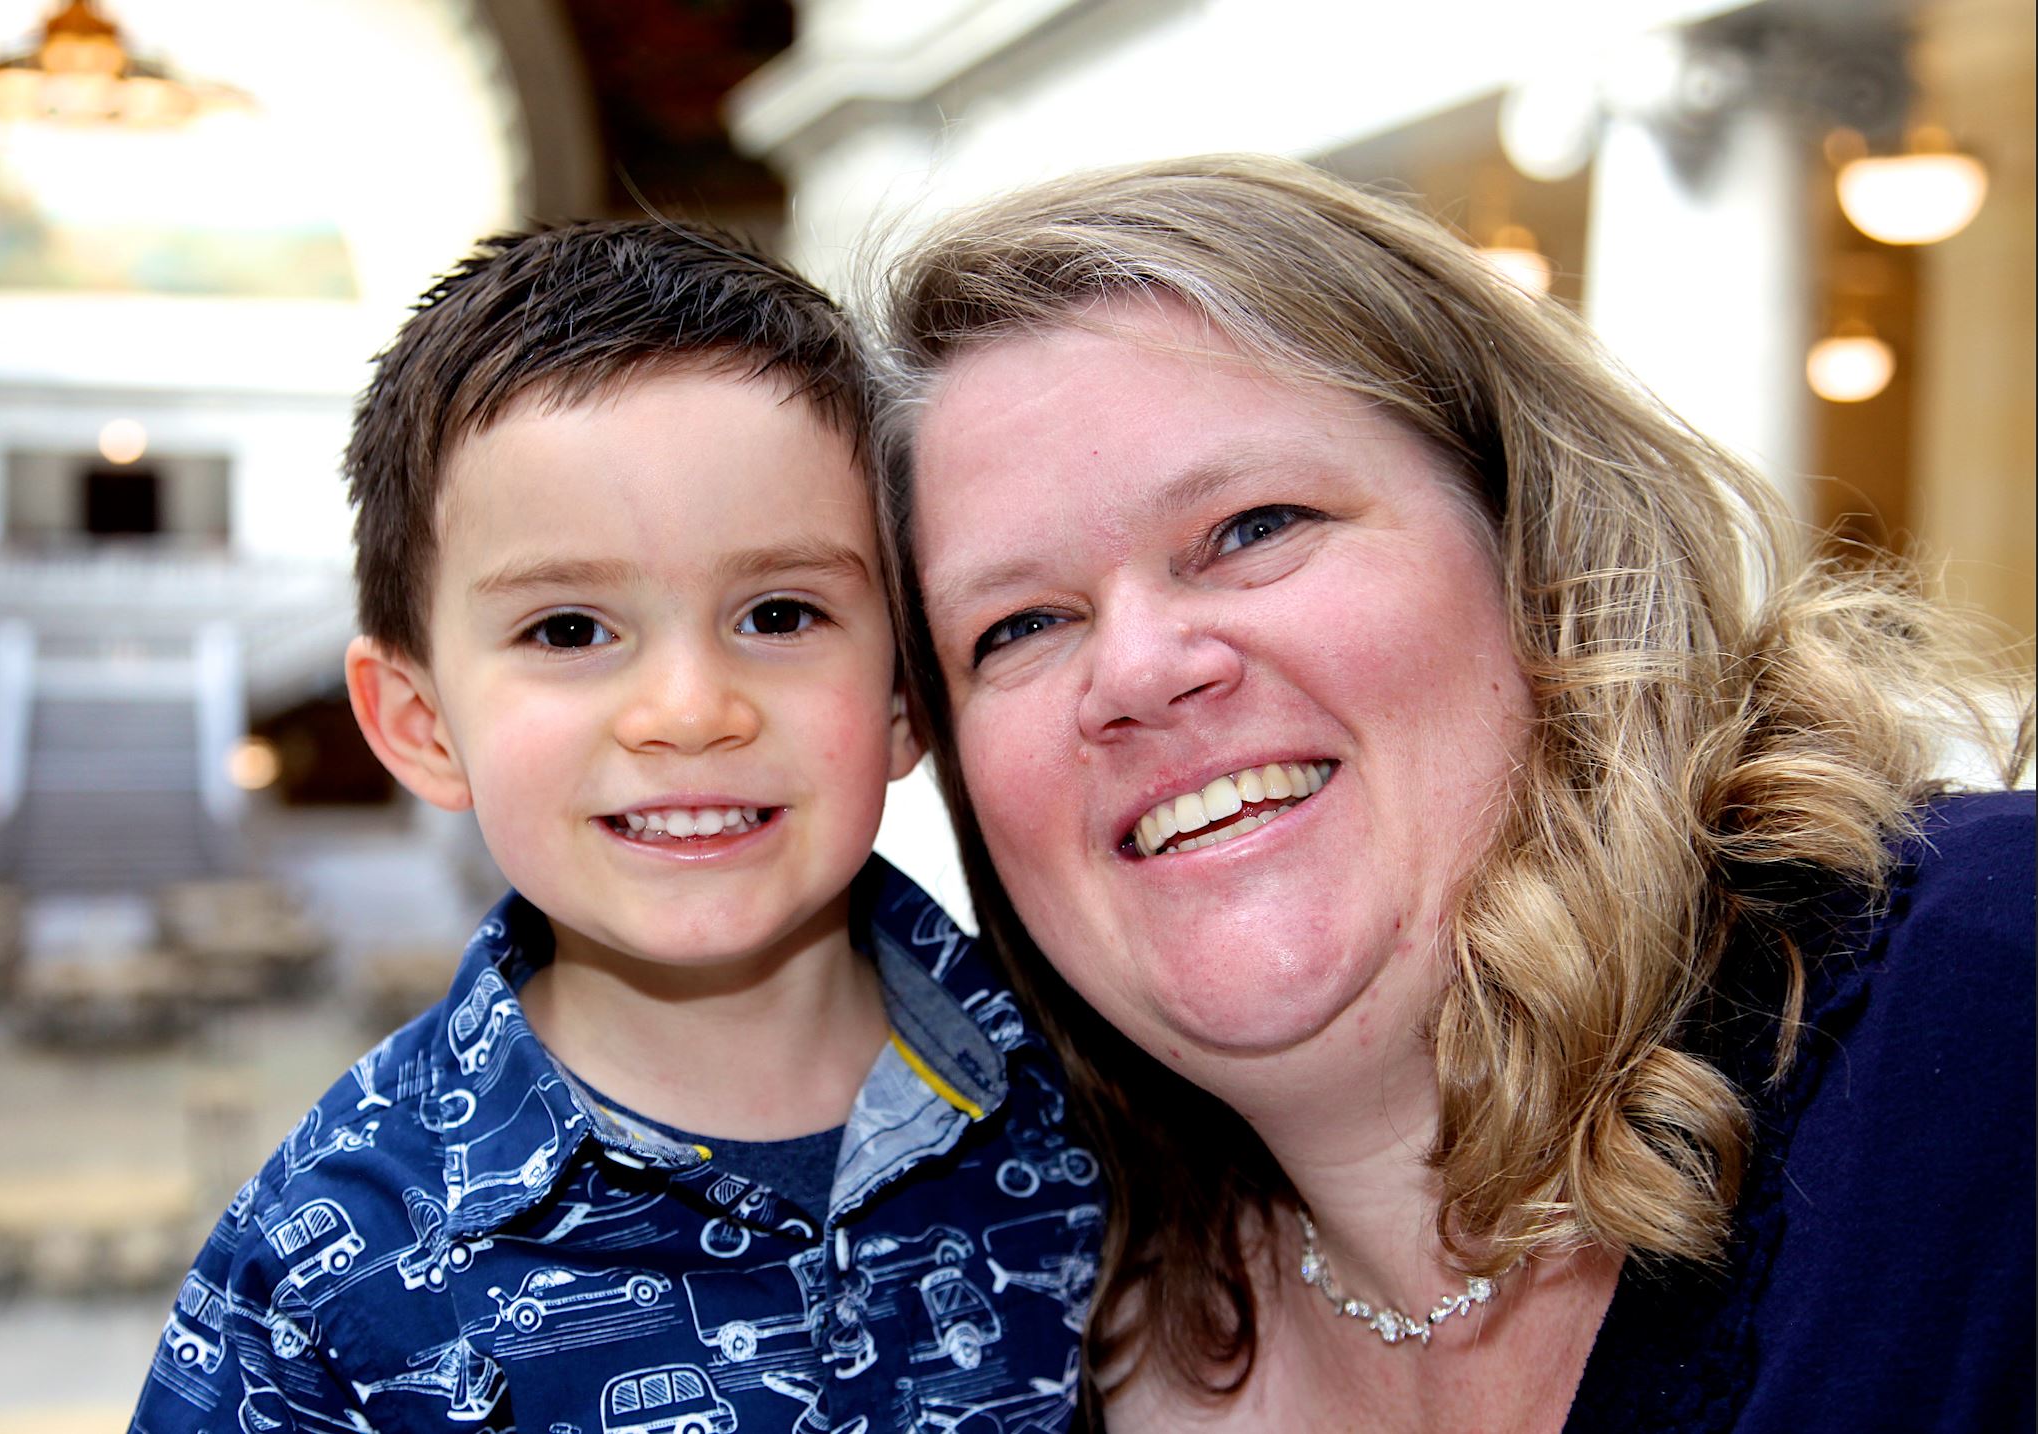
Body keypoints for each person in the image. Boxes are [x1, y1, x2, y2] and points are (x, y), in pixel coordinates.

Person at [870, 153, 2034, 1431]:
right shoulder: (1009, 1346)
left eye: (1256, 527)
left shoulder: (1990, 998)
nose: (1137, 671)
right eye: (1021, 624)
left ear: (1533, 548)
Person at [129, 220, 1099, 1433]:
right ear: (423, 724)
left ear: (906, 690)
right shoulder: (321, 1276)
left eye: (782, 613)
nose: (689, 712)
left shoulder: (1112, 1092)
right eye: (569, 631)